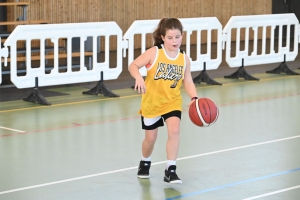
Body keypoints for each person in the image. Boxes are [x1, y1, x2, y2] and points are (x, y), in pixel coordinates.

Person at [128, 18, 198, 184]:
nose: (174, 41)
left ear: (182, 36)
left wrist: (194, 97)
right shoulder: (155, 52)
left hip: (172, 101)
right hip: (152, 102)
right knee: (150, 139)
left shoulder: (184, 58)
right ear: (162, 37)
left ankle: (170, 170)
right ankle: (145, 161)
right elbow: (133, 65)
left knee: (174, 131)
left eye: (178, 37)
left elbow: (187, 81)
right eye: (170, 38)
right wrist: (138, 77)